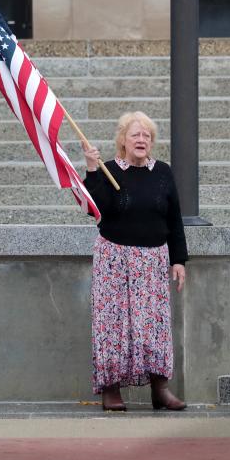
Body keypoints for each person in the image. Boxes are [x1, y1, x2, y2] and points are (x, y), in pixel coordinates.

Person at [81, 111, 188, 412]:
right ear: (123, 141)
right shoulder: (110, 169)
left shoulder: (163, 172)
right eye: (135, 135)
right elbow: (96, 210)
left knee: (152, 326)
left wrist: (178, 260)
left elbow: (174, 218)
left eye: (147, 136)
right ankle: (111, 390)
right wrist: (92, 170)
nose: (142, 140)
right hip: (114, 258)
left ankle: (160, 388)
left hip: (153, 260)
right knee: (113, 326)